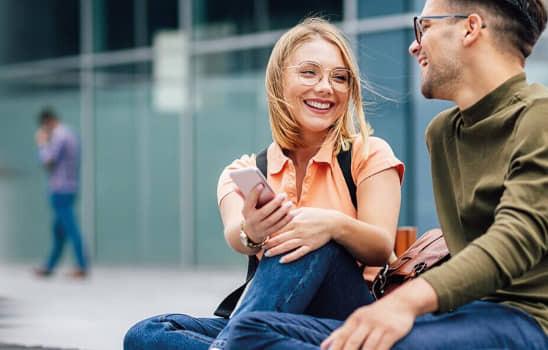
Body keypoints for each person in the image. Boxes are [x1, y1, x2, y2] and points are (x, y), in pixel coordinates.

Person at [225, 0, 548, 349]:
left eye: (425, 26)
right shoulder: (444, 134)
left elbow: (512, 245)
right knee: (249, 332)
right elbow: (464, 251)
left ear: (469, 28)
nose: (415, 45)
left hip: (543, 328)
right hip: (464, 316)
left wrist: (403, 304)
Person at [123, 17, 405, 350]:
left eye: (339, 78)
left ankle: (235, 343)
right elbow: (237, 235)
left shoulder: (368, 152)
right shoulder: (243, 171)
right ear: (278, 81)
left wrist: (330, 225)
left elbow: (382, 246)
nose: (326, 87)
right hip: (269, 321)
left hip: (345, 316)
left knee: (310, 235)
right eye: (309, 72)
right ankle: (239, 343)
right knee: (146, 333)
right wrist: (253, 232)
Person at [33, 108, 88, 279]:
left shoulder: (59, 135)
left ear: (47, 121)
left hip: (61, 189)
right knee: (58, 230)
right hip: (68, 187)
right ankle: (49, 266)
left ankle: (82, 266)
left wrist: (42, 144)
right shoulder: (70, 133)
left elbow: (48, 162)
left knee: (70, 229)